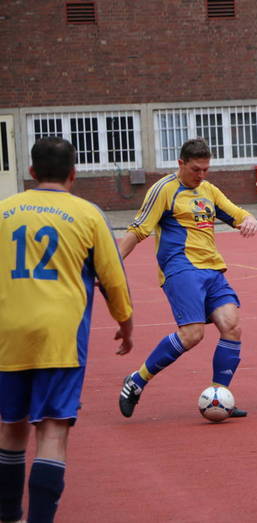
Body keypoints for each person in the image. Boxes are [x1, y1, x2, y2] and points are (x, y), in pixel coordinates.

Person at [0, 137, 134, 523]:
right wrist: (125, 324)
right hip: (60, 337)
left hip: (9, 334)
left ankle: (9, 515)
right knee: (53, 430)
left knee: (11, 426)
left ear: (30, 173)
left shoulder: (5, 211)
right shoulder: (87, 214)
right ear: (74, 174)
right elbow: (114, 281)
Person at [117, 137, 257, 419]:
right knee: (192, 334)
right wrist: (112, 264)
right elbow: (138, 230)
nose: (201, 175)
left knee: (232, 327)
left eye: (206, 169)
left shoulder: (208, 190)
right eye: (196, 169)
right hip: (180, 269)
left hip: (212, 270)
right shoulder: (164, 190)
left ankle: (219, 396)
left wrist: (250, 218)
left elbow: (236, 212)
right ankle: (137, 380)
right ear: (181, 163)